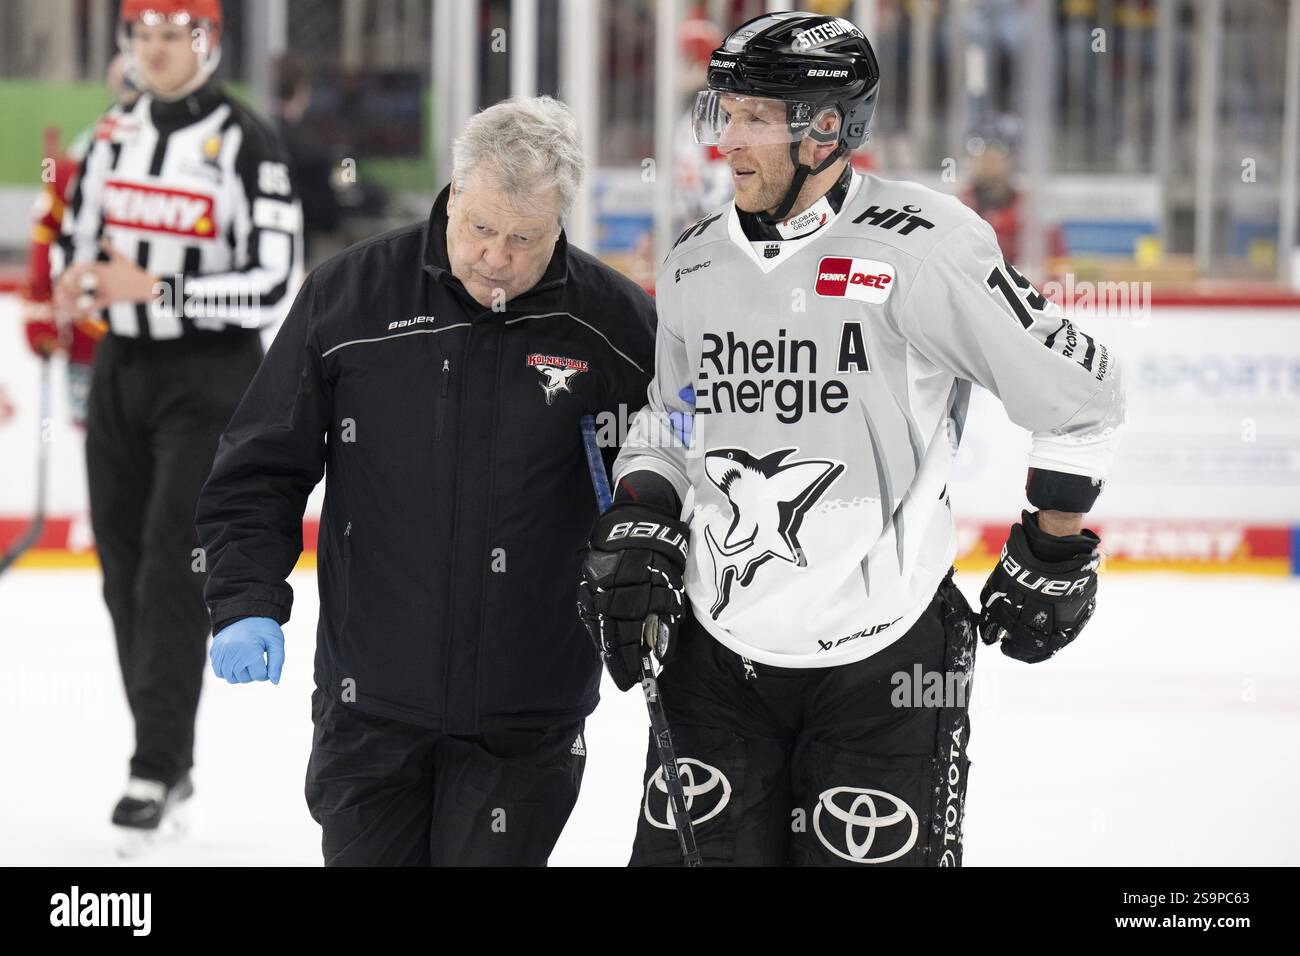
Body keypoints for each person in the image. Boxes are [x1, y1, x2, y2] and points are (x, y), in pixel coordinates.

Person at [578, 11, 1125, 866]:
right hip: (716, 660)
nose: (727, 139)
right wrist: (641, 513)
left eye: (756, 117)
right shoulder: (693, 267)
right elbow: (673, 418)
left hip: (887, 664)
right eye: (723, 111)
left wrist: (1054, 546)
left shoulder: (927, 247)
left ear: (826, 127)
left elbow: (1080, 392)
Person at [195, 96, 657, 866]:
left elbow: (670, 471)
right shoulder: (350, 298)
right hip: (368, 704)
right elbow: (259, 466)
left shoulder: (615, 326)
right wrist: (244, 596)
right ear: (453, 190)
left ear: (561, 222)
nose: (496, 258)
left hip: (528, 713)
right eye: (480, 228)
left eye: (524, 238)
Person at [50, 0, 302, 846]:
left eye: (174, 35)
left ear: (209, 42)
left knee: (168, 568)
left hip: (211, 374)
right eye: (143, 36)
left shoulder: (246, 141)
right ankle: (167, 757)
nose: (156, 51)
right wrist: (70, 280)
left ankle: (154, 763)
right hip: (120, 370)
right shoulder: (114, 131)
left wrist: (157, 291)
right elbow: (74, 233)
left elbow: (273, 282)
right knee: (119, 570)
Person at [22, 54, 139, 426]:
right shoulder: (84, 151)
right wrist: (41, 313)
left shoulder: (189, 151)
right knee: (100, 445)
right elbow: (46, 230)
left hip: (160, 333)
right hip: (91, 329)